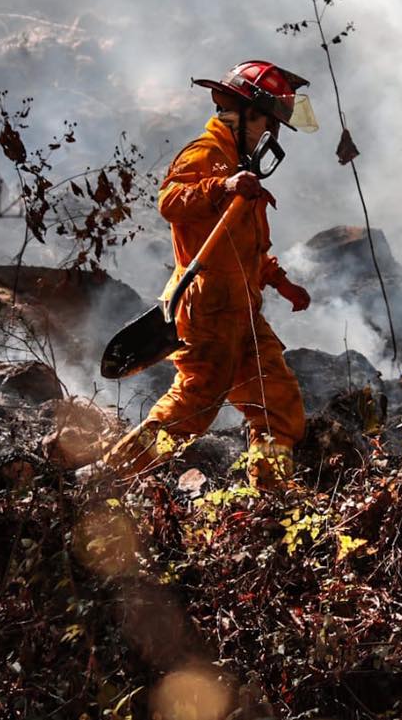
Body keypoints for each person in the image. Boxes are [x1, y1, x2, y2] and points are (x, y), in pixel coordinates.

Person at [88, 61, 318, 489]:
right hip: (206, 307)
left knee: (276, 400)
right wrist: (222, 187)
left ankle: (268, 496)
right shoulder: (207, 155)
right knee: (194, 407)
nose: (275, 135)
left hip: (242, 308)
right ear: (249, 115)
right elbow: (169, 201)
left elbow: (240, 245)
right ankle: (107, 481)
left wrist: (280, 281)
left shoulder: (240, 166)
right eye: (272, 123)